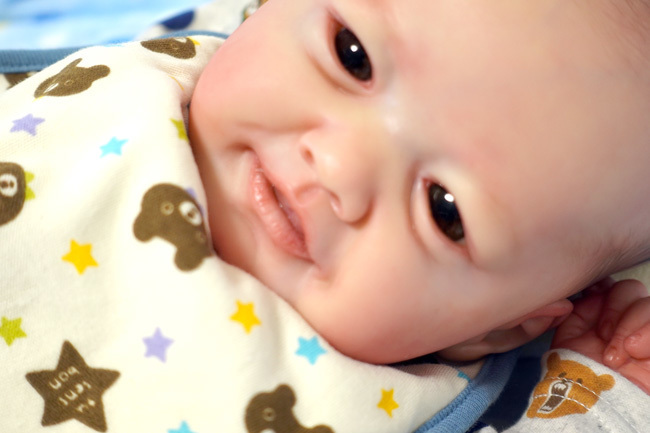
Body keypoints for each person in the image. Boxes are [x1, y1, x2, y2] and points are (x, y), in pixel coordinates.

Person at [0, 0, 649, 431]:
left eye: (444, 210)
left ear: (502, 329)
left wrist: (598, 397)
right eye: (352, 55)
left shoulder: (384, 402)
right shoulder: (133, 92)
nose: (338, 166)